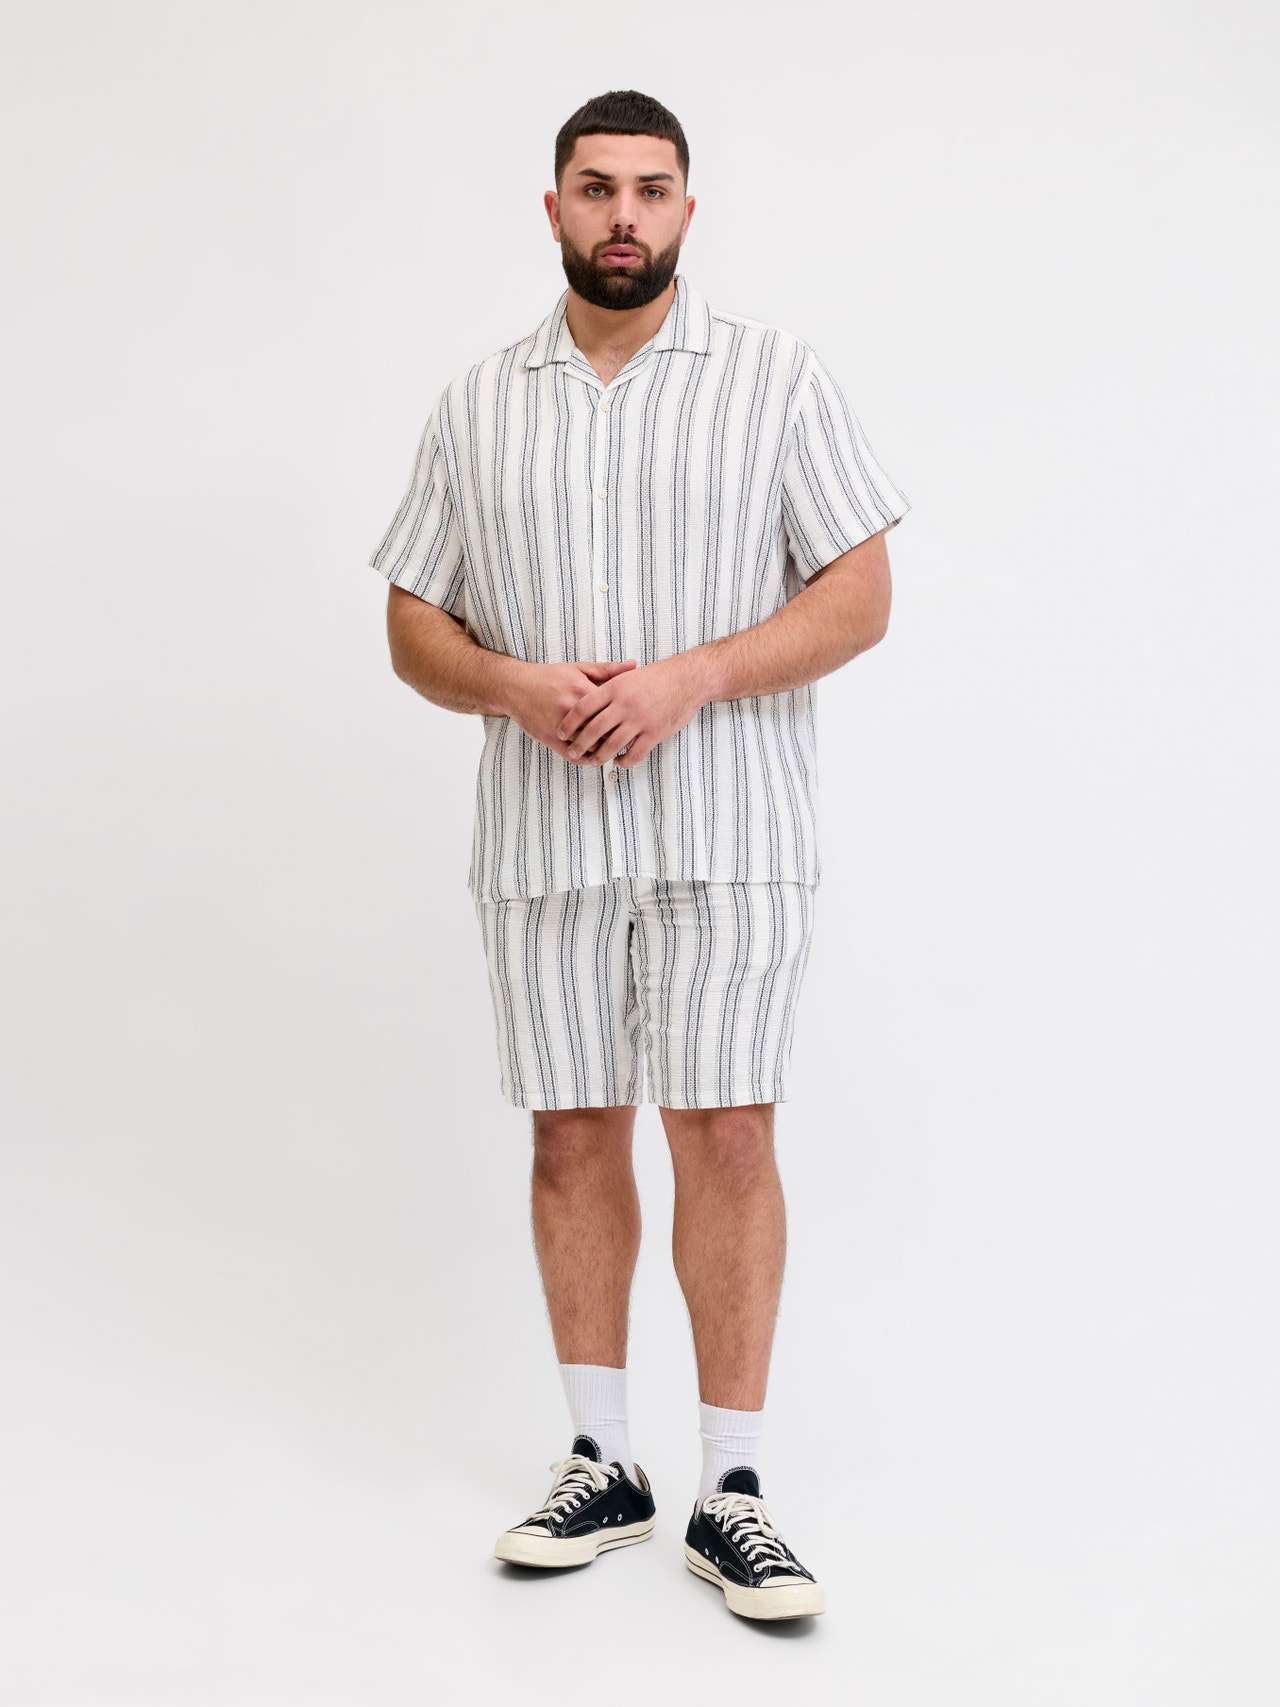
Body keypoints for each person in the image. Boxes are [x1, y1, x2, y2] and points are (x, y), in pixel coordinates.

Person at [367, 89, 909, 1621]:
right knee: (570, 1135)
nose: (624, 214)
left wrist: (693, 677)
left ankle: (734, 1487)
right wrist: (511, 684)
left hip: (730, 832)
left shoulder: (779, 379)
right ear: (553, 209)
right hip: (546, 841)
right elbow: (413, 622)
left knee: (726, 1134)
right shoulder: (478, 404)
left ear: (688, 209)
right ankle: (602, 1459)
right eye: (597, 187)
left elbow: (860, 596)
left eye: (651, 189)